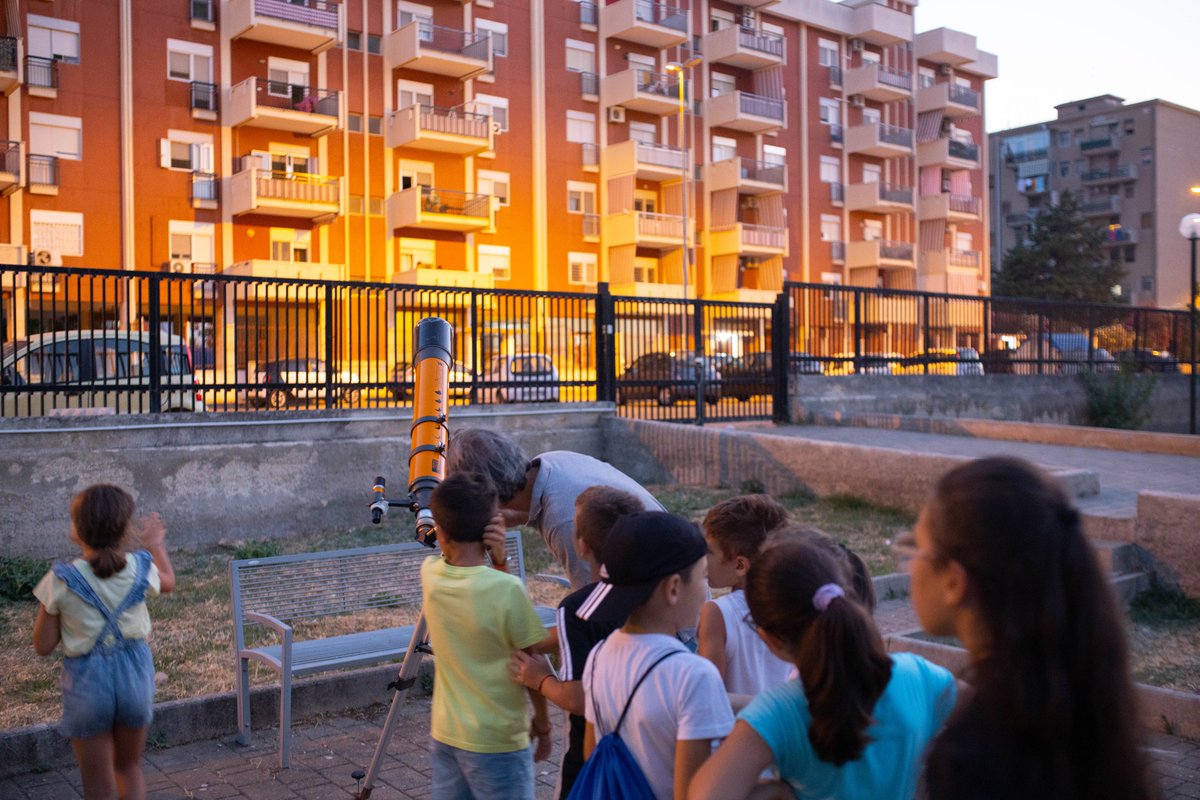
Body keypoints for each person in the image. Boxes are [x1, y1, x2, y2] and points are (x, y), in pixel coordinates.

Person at [910, 457, 1154, 800]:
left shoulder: (971, 759)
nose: (911, 564)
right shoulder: (1085, 702)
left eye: (917, 548)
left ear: (953, 580)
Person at [689, 539, 957, 800]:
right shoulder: (916, 674)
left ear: (771, 639)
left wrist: (775, 791)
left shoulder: (777, 713)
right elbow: (990, 716)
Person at [32, 484, 176, 800]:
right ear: (125, 529)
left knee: (97, 788)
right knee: (129, 769)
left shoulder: (61, 579)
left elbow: (42, 646)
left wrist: (51, 604)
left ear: (76, 531)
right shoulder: (141, 567)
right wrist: (155, 544)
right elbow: (168, 582)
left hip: (87, 686)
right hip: (135, 680)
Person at [581, 511, 734, 800]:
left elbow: (593, 755)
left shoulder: (598, 656)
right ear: (674, 587)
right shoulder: (694, 675)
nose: (707, 589)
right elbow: (692, 793)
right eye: (703, 577)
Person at [508, 485, 645, 799]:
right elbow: (609, 636)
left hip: (594, 748)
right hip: (645, 740)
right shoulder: (649, 592)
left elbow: (579, 699)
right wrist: (544, 642)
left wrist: (538, 678)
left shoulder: (577, 608)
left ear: (581, 546)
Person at [423, 471, 553, 800]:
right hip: (498, 741)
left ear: (440, 532)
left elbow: (457, 564)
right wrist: (542, 722)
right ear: (491, 529)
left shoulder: (430, 574)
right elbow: (530, 655)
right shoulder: (506, 588)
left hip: (447, 733)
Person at [446, 428, 663, 590]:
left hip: (673, 626)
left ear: (486, 491)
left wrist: (535, 646)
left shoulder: (567, 520)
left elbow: (592, 614)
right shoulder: (553, 461)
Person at [697, 495, 793, 706]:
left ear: (740, 565)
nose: (702, 560)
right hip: (786, 730)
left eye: (708, 551)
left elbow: (707, 696)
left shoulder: (717, 612)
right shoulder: (792, 605)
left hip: (739, 734)